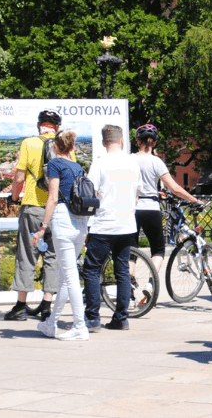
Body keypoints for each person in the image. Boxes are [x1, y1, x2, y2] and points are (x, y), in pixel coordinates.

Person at [132, 123, 204, 301]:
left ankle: (129, 287)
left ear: (137, 141)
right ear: (154, 143)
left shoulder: (129, 160)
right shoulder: (156, 162)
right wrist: (194, 199)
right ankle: (150, 283)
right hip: (151, 208)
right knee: (158, 249)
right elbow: (174, 188)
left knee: (131, 251)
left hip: (132, 209)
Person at [32, 130, 91, 341]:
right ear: (73, 147)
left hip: (64, 221)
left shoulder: (55, 165)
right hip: (80, 223)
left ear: (55, 147)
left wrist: (42, 227)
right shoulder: (78, 167)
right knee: (66, 277)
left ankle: (79, 326)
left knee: (71, 276)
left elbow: (53, 198)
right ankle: (50, 323)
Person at [82, 124, 140, 331]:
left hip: (103, 224)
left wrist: (87, 226)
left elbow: (91, 196)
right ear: (121, 140)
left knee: (91, 270)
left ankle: (93, 318)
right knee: (122, 270)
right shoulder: (133, 163)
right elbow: (136, 194)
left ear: (104, 142)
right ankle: (121, 317)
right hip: (126, 225)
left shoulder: (99, 164)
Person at [4, 110, 61, 322]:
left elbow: (19, 176)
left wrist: (14, 196)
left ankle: (20, 306)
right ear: (56, 127)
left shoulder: (29, 143)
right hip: (55, 208)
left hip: (32, 206)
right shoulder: (63, 144)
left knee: (27, 255)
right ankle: (46, 306)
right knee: (53, 257)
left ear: (39, 125)